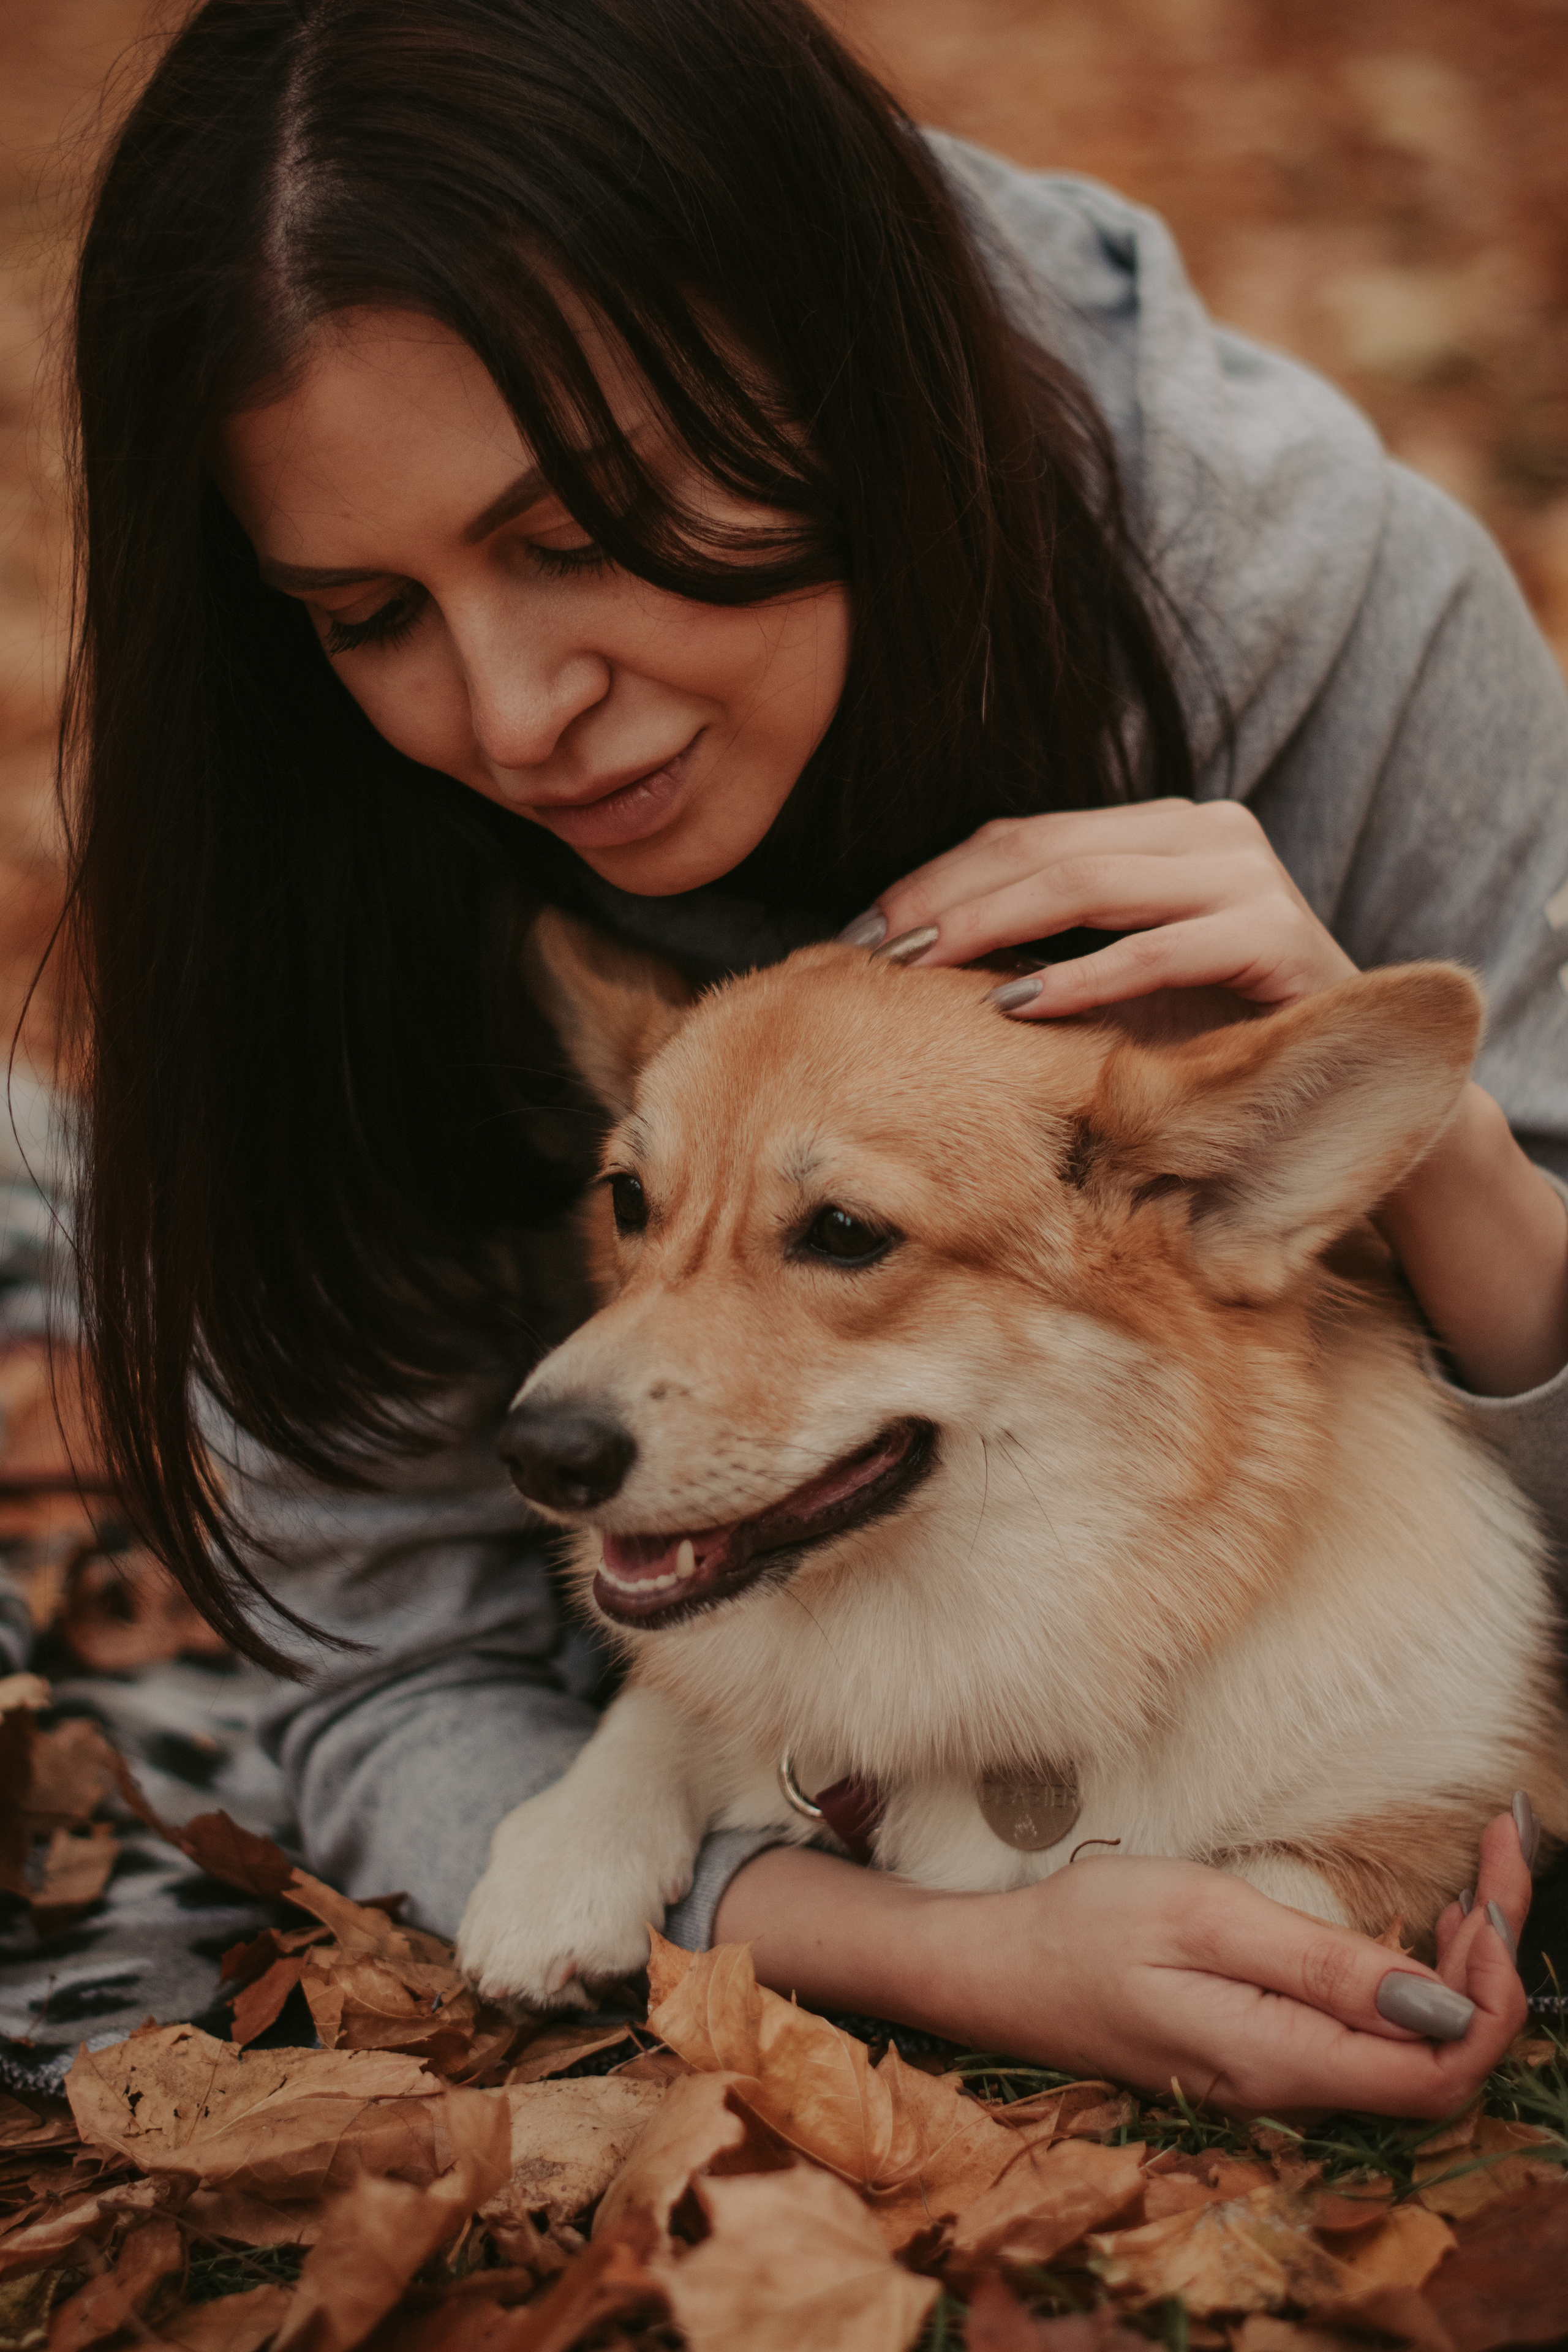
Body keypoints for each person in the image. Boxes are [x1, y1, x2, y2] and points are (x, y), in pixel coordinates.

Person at [57, 0, 1567, 2118]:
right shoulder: (317, 845)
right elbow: (380, 1658)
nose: (505, 719)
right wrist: (936, 1954)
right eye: (363, 612)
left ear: (835, 372)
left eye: (574, 532)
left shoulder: (1332, 608)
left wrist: (1451, 1167)